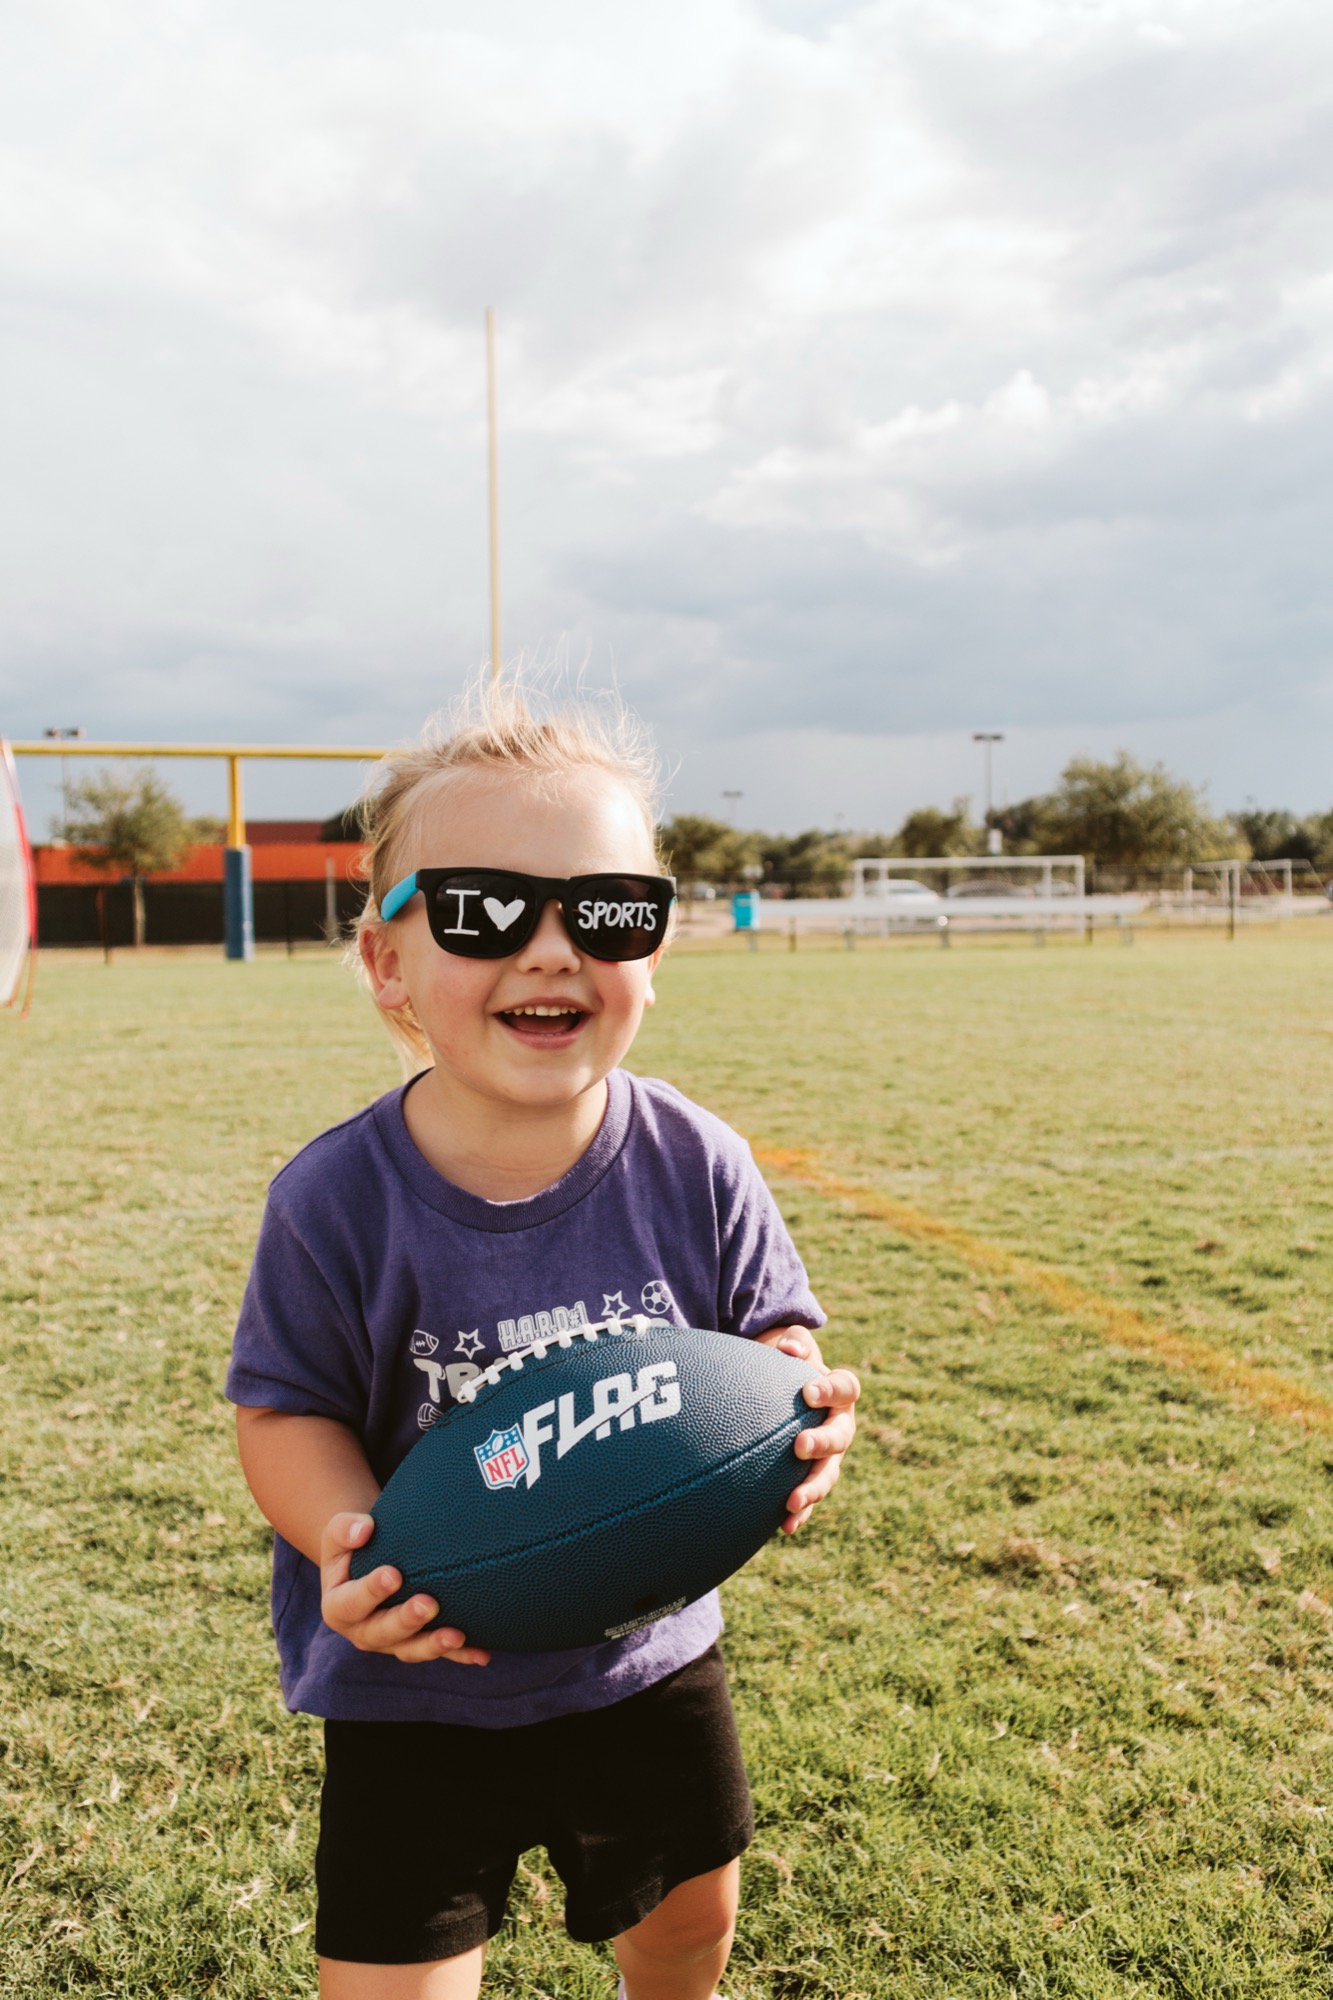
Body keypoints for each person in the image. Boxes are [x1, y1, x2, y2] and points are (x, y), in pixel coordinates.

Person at [227, 677, 859, 2000]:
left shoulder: (694, 1157)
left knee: (686, 1926)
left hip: (647, 1660)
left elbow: (767, 1333)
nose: (550, 950)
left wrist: (799, 1401)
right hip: (415, 1687)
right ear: (387, 960)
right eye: (481, 909)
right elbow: (284, 1411)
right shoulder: (334, 1199)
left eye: (609, 913)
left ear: (652, 948)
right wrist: (360, 1549)